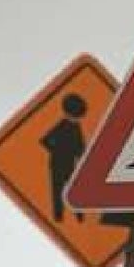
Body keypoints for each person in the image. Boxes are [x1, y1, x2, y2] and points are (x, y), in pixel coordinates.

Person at [39, 91, 91, 222]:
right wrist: (56, 151)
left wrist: (82, 157)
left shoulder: (76, 126)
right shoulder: (61, 125)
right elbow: (44, 140)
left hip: (70, 165)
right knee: (57, 192)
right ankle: (59, 218)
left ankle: (80, 217)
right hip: (57, 164)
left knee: (74, 192)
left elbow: (80, 146)